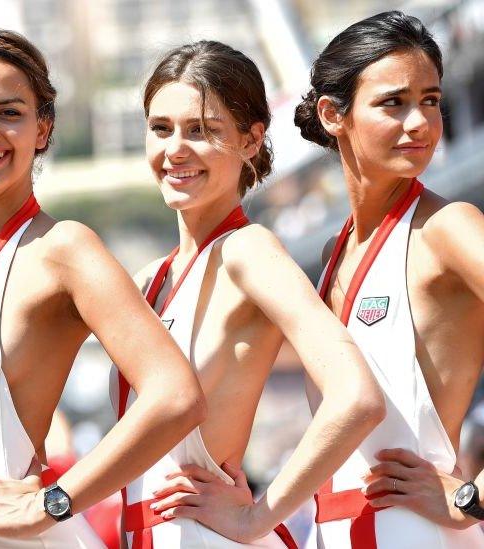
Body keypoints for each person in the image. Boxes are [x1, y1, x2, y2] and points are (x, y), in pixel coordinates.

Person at [0, 29, 207, 548]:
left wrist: (52, 502)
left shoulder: (63, 248)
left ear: (43, 129)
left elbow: (175, 396)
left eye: (10, 112)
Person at [118, 40, 385, 548]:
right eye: (161, 129)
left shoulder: (249, 252)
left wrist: (256, 517)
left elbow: (356, 397)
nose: (176, 149)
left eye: (202, 130)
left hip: (209, 534)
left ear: (251, 139)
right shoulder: (149, 280)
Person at [293, 11, 484, 547]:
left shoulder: (449, 228)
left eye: (430, 100)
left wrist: (472, 497)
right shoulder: (332, 253)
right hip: (331, 528)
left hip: (414, 528)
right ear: (334, 114)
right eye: (393, 102)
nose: (421, 122)